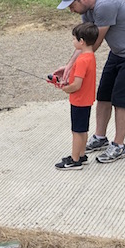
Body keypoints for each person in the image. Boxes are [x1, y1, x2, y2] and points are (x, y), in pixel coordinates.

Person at [54, 0, 125, 163]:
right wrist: (68, 67)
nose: (71, 11)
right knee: (104, 96)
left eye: (72, 5)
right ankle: (100, 138)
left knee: (121, 101)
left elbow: (93, 45)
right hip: (118, 53)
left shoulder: (105, 5)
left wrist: (73, 71)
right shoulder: (87, 10)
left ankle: (119, 145)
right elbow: (86, 41)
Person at [54, 22, 98, 170]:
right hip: (86, 99)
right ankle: (81, 154)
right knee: (83, 129)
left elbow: (77, 85)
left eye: (74, 39)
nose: (73, 41)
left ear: (81, 41)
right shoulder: (90, 56)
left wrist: (65, 88)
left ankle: (74, 160)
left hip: (79, 100)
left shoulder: (81, 60)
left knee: (77, 131)